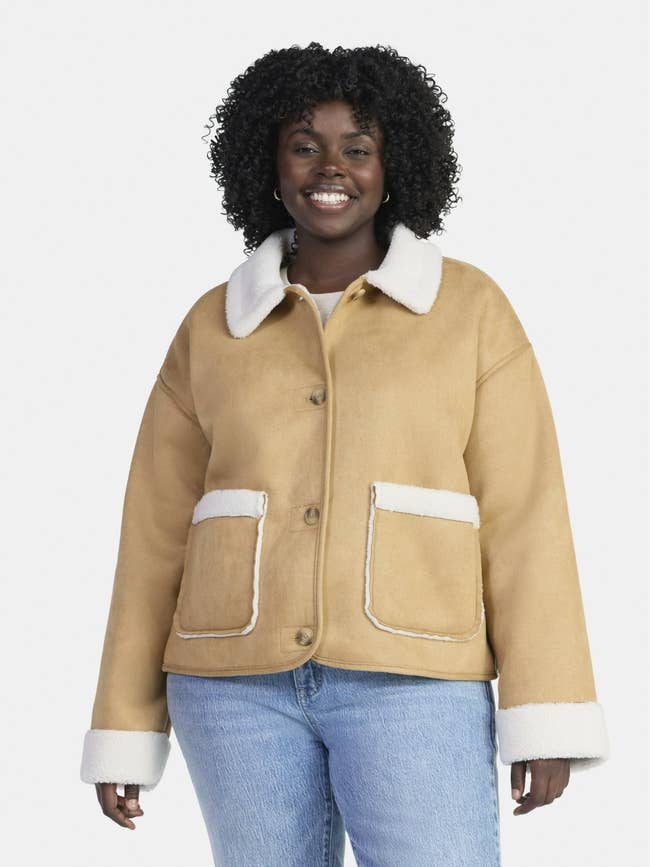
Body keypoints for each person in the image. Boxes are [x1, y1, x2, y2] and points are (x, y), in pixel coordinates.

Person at [80, 42, 609, 865]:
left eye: (357, 147)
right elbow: (152, 534)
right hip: (232, 690)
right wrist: (124, 722)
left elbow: (526, 519)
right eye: (304, 145)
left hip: (414, 683)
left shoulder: (470, 311)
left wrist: (546, 712)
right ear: (268, 163)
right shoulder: (213, 325)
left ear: (395, 164)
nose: (330, 168)